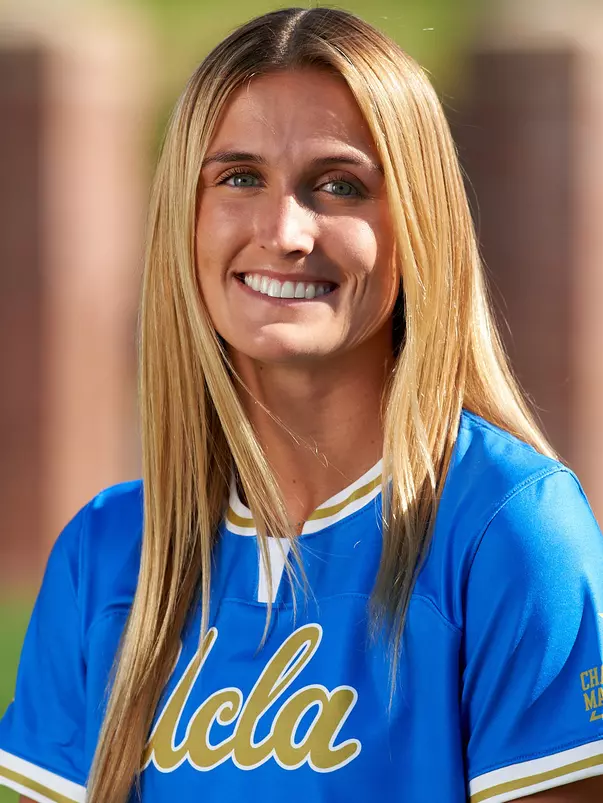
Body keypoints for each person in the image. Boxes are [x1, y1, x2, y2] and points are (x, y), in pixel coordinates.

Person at [1, 6, 603, 803]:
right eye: (239, 177)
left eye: (338, 185)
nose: (284, 231)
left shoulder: (507, 527)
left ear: (418, 227)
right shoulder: (107, 552)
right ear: (185, 216)